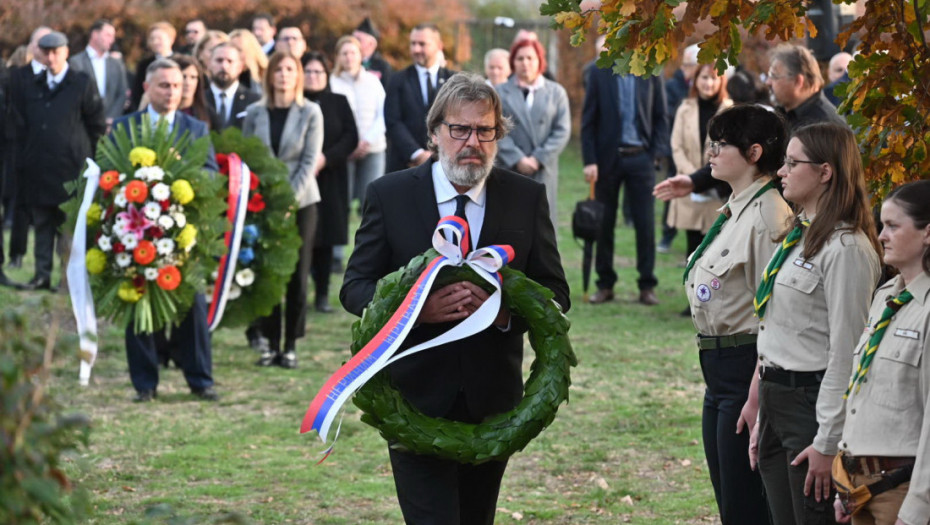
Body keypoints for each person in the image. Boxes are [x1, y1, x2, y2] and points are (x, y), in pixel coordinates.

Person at [340, 71, 569, 525]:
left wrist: (502, 312)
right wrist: (416, 311)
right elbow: (355, 287)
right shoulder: (390, 194)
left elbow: (555, 292)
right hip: (413, 398)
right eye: (459, 129)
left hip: (492, 402)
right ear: (434, 133)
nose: (472, 143)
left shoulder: (525, 197)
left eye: (485, 131)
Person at [750, 122, 882, 525]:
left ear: (825, 172)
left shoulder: (846, 249)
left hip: (810, 404)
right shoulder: (800, 236)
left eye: (793, 163)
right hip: (777, 397)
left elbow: (847, 351)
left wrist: (828, 441)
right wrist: (763, 409)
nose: (781, 171)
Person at [683, 104, 792, 524]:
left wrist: (755, 393)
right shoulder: (737, 207)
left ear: (754, 153)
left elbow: (776, 315)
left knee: (746, 506)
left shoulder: (769, 216)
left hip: (746, 368)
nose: (710, 153)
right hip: (718, 369)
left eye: (720, 144)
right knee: (730, 500)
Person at [112, 58, 219, 402]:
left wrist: (184, 172)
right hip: (136, 230)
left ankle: (200, 380)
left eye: (177, 85)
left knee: (193, 304)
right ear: (147, 88)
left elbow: (212, 173)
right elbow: (108, 172)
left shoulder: (195, 128)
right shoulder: (126, 127)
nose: (172, 92)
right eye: (164, 85)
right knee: (138, 301)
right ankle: (145, 384)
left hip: (182, 232)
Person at [833, 180, 930, 525]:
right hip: (860, 487)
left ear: (927, 233)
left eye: (892, 226)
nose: (881, 236)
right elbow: (863, 393)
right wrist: (845, 481)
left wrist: (918, 509)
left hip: (903, 491)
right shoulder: (885, 297)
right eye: (881, 225)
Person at [655, 46, 845, 219]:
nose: (768, 82)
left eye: (774, 76)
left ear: (798, 81)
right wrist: (693, 181)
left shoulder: (824, 125)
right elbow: (736, 151)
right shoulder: (783, 114)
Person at [242, 51, 323, 368]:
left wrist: (288, 200)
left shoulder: (311, 112)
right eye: (278, 69)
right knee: (268, 275)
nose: (284, 74)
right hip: (262, 202)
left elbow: (309, 162)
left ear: (298, 75)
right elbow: (248, 157)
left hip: (301, 203)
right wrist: (264, 198)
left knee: (297, 276)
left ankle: (290, 345)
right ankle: (270, 344)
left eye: (290, 69)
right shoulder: (254, 112)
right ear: (269, 75)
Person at [10, 31, 106, 292]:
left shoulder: (81, 83)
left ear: (66, 52)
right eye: (46, 52)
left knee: (68, 227)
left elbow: (96, 124)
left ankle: (67, 279)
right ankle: (41, 274)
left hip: (71, 167)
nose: (51, 57)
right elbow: (22, 123)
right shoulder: (34, 84)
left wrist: (92, 160)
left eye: (56, 52)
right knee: (42, 223)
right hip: (39, 166)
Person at [582, 42, 670, 306]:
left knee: (645, 224)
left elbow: (661, 116)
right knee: (604, 223)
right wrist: (590, 160)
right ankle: (605, 284)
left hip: (641, 158)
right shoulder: (598, 71)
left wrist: (656, 154)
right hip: (607, 159)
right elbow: (588, 120)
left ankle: (647, 285)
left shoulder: (651, 69)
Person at [302, 51, 358, 313]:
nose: (313, 76)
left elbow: (350, 137)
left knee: (325, 238)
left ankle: (322, 295)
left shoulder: (338, 101)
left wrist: (325, 158)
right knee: (302, 237)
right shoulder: (295, 102)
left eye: (318, 72)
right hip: (301, 178)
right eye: (308, 71)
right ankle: (299, 294)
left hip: (330, 177)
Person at [495, 38, 570, 227]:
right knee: (511, 223)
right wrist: (517, 158)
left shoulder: (556, 92)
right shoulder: (499, 92)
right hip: (511, 168)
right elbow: (495, 128)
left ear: (540, 60)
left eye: (530, 58)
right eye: (520, 58)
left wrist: (537, 158)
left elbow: (562, 130)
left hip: (543, 168)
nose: (525, 63)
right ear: (513, 62)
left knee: (542, 223)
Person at [667, 63, 732, 260]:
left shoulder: (730, 111)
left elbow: (729, 150)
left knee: (715, 252)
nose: (708, 83)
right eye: (704, 77)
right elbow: (676, 145)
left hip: (717, 190)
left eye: (714, 78)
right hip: (690, 188)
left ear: (722, 81)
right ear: (695, 80)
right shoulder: (685, 108)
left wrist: (705, 178)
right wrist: (693, 177)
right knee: (692, 252)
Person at [5, 26, 51, 272]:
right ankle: (17, 253)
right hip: (21, 146)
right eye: (40, 44)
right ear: (32, 46)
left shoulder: (65, 78)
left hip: (51, 150)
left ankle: (48, 264)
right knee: (20, 202)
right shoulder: (16, 76)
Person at [384, 23, 454, 173]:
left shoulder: (453, 81)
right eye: (413, 44)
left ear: (439, 46)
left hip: (445, 165)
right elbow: (392, 121)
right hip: (404, 165)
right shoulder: (397, 80)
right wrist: (417, 153)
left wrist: (437, 153)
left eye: (422, 44)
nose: (416, 49)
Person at [330, 35, 387, 211]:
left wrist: (366, 141)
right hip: (343, 150)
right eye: (344, 53)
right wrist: (350, 143)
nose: (349, 57)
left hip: (372, 148)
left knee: (371, 200)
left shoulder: (373, 81)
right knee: (342, 200)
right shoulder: (331, 82)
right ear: (338, 56)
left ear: (360, 55)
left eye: (353, 53)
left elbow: (384, 113)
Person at [658, 43, 700, 253]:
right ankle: (667, 234)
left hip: (699, 150)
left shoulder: (705, 84)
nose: (685, 69)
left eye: (689, 65)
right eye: (684, 65)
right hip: (678, 147)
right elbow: (667, 115)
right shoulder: (672, 86)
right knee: (672, 191)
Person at [69, 19, 129, 126]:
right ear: (95, 35)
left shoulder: (116, 64)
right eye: (108, 35)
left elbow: (122, 93)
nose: (112, 40)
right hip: (84, 124)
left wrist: (111, 118)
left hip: (111, 125)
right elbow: (74, 94)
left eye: (113, 36)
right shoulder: (76, 62)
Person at [206, 42, 260, 130]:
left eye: (230, 61)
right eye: (219, 60)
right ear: (209, 64)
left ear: (240, 67)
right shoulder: (199, 99)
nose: (224, 66)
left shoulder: (254, 101)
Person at [130, 21, 175, 112]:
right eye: (152, 39)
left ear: (171, 39)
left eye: (159, 38)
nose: (155, 42)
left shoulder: (180, 61)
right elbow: (137, 92)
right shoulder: (144, 64)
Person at [173, 54, 221, 130]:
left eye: (193, 77)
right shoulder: (163, 109)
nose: (188, 83)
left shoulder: (208, 113)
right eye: (184, 76)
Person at [353, 17, 393, 87]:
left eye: (359, 39)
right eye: (353, 39)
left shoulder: (382, 66)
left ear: (371, 44)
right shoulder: (348, 61)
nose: (354, 42)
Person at [229, 29, 267, 96]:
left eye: (239, 50)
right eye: (231, 49)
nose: (234, 53)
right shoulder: (224, 75)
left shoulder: (266, 74)